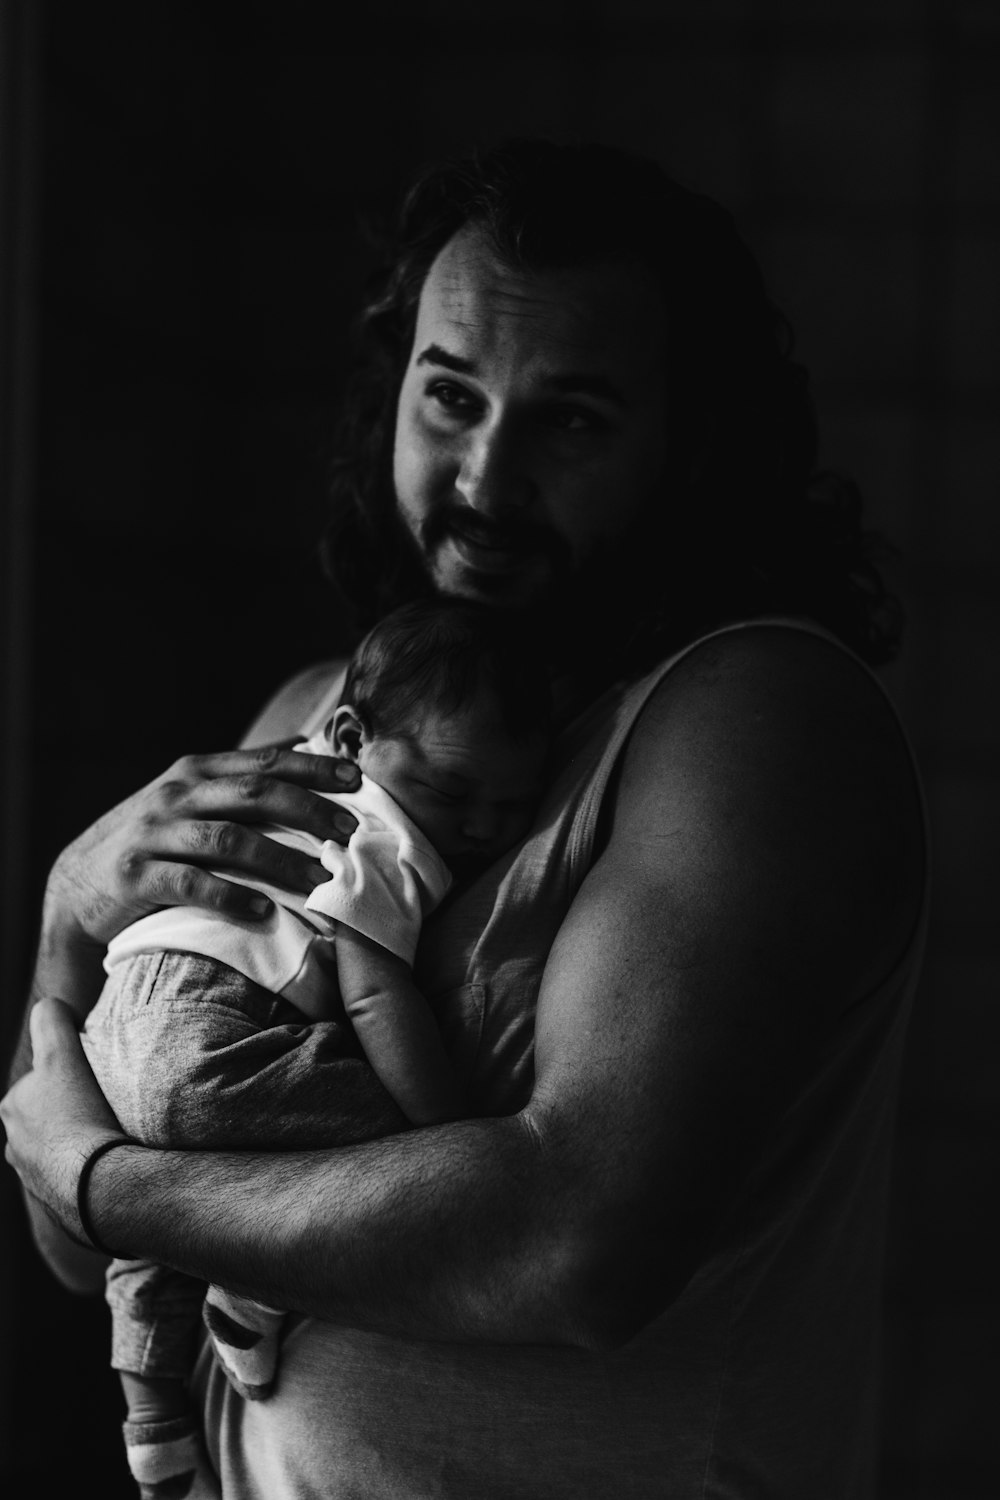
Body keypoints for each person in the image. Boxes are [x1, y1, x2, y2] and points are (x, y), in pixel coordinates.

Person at [3, 138, 927, 1499]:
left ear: (692, 444)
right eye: (449, 399)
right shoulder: (310, 713)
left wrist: (105, 1181)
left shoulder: (750, 719)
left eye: (570, 420)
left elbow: (574, 1246)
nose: (485, 482)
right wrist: (66, 924)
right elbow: (62, 1235)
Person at [79, 597, 550, 1500]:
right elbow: (377, 993)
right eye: (454, 792)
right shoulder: (381, 832)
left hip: (124, 1013)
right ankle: (253, 1286)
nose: (483, 828)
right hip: (205, 1035)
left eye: (513, 804)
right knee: (384, 1150)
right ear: (349, 736)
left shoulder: (292, 800)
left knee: (154, 1215)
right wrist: (442, 1130)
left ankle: (154, 1421)